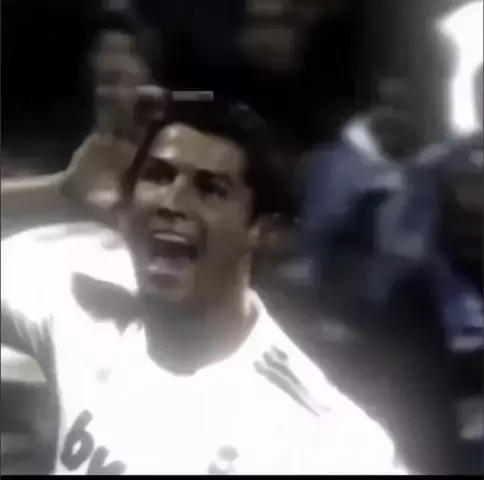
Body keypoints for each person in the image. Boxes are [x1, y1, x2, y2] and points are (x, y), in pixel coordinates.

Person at [1, 99, 406, 475]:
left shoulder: (318, 437)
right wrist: (57, 193)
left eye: (211, 189)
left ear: (260, 230)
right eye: (159, 176)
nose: (173, 202)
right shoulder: (82, 308)